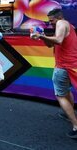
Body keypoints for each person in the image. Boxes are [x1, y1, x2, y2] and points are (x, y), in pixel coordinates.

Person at [31, 8, 77, 138]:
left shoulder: (62, 23)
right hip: (71, 65)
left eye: (52, 21)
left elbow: (59, 40)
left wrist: (40, 36)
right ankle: (67, 112)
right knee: (66, 91)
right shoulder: (68, 26)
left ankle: (76, 125)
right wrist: (42, 37)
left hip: (63, 67)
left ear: (59, 17)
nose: (51, 23)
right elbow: (51, 45)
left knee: (60, 95)